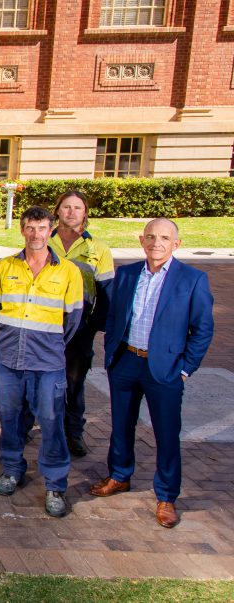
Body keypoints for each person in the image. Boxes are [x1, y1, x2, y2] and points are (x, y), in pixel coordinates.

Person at [90, 218, 213, 529]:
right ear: (142, 240)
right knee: (121, 424)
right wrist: (112, 354)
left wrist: (185, 369)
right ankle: (119, 475)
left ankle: (167, 496)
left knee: (167, 434)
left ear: (176, 244)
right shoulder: (129, 273)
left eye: (164, 238)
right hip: (127, 362)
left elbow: (202, 330)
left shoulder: (192, 279)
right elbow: (116, 315)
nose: (156, 243)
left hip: (166, 369)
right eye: (151, 237)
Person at [0, 206, 83, 518]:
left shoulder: (68, 271)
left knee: (52, 420)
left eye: (42, 228)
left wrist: (46, 343)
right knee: (9, 417)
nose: (36, 235)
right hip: (8, 359)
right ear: (22, 229)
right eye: (30, 228)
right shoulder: (4, 267)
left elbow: (72, 320)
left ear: (51, 230)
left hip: (47, 362)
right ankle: (12, 468)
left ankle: (55, 484)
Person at [47, 190, 114, 457]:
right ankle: (29, 426)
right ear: (58, 211)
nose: (71, 212)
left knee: (74, 383)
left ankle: (73, 433)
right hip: (47, 326)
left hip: (80, 329)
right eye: (66, 207)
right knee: (38, 379)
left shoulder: (98, 249)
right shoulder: (43, 241)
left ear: (85, 212)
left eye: (77, 207)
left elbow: (106, 296)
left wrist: (90, 330)